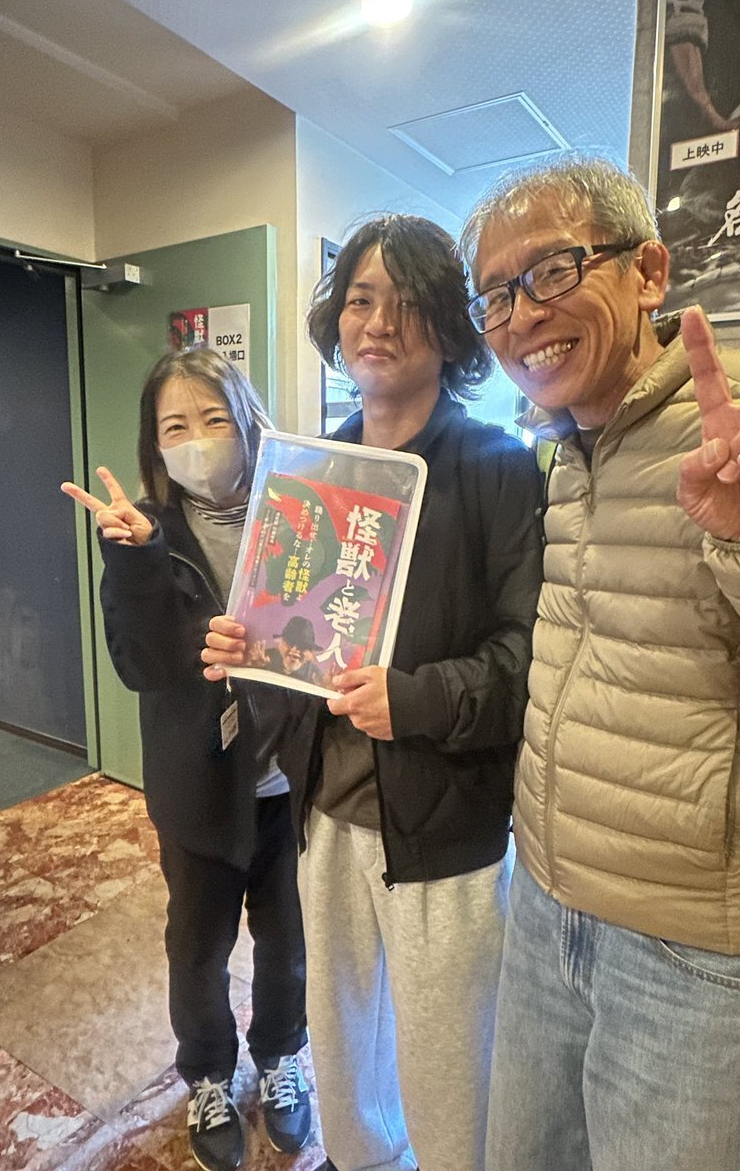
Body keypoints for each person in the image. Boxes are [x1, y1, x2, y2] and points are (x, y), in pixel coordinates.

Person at [458, 153, 740, 1171]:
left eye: (553, 271)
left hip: (700, 955)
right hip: (547, 905)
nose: (522, 316)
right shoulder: (562, 451)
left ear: (649, 271)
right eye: (495, 296)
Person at [202, 214, 544, 1171]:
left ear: (449, 326)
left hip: (446, 830)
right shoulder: (315, 472)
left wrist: (417, 699)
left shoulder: (497, 466)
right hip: (326, 817)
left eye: (406, 302)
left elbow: (529, 656)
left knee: (449, 1077)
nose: (378, 322)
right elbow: (299, 651)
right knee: (345, 1065)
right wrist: (252, 650)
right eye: (359, 299)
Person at [61, 348, 311, 1171]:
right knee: (198, 950)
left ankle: (282, 1055)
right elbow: (141, 665)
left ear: (248, 421)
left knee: (288, 943)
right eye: (175, 427)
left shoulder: (296, 514)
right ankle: (206, 1073)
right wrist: (135, 561)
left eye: (213, 418)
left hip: (294, 781)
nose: (197, 440)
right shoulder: (146, 534)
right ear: (155, 445)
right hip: (198, 787)